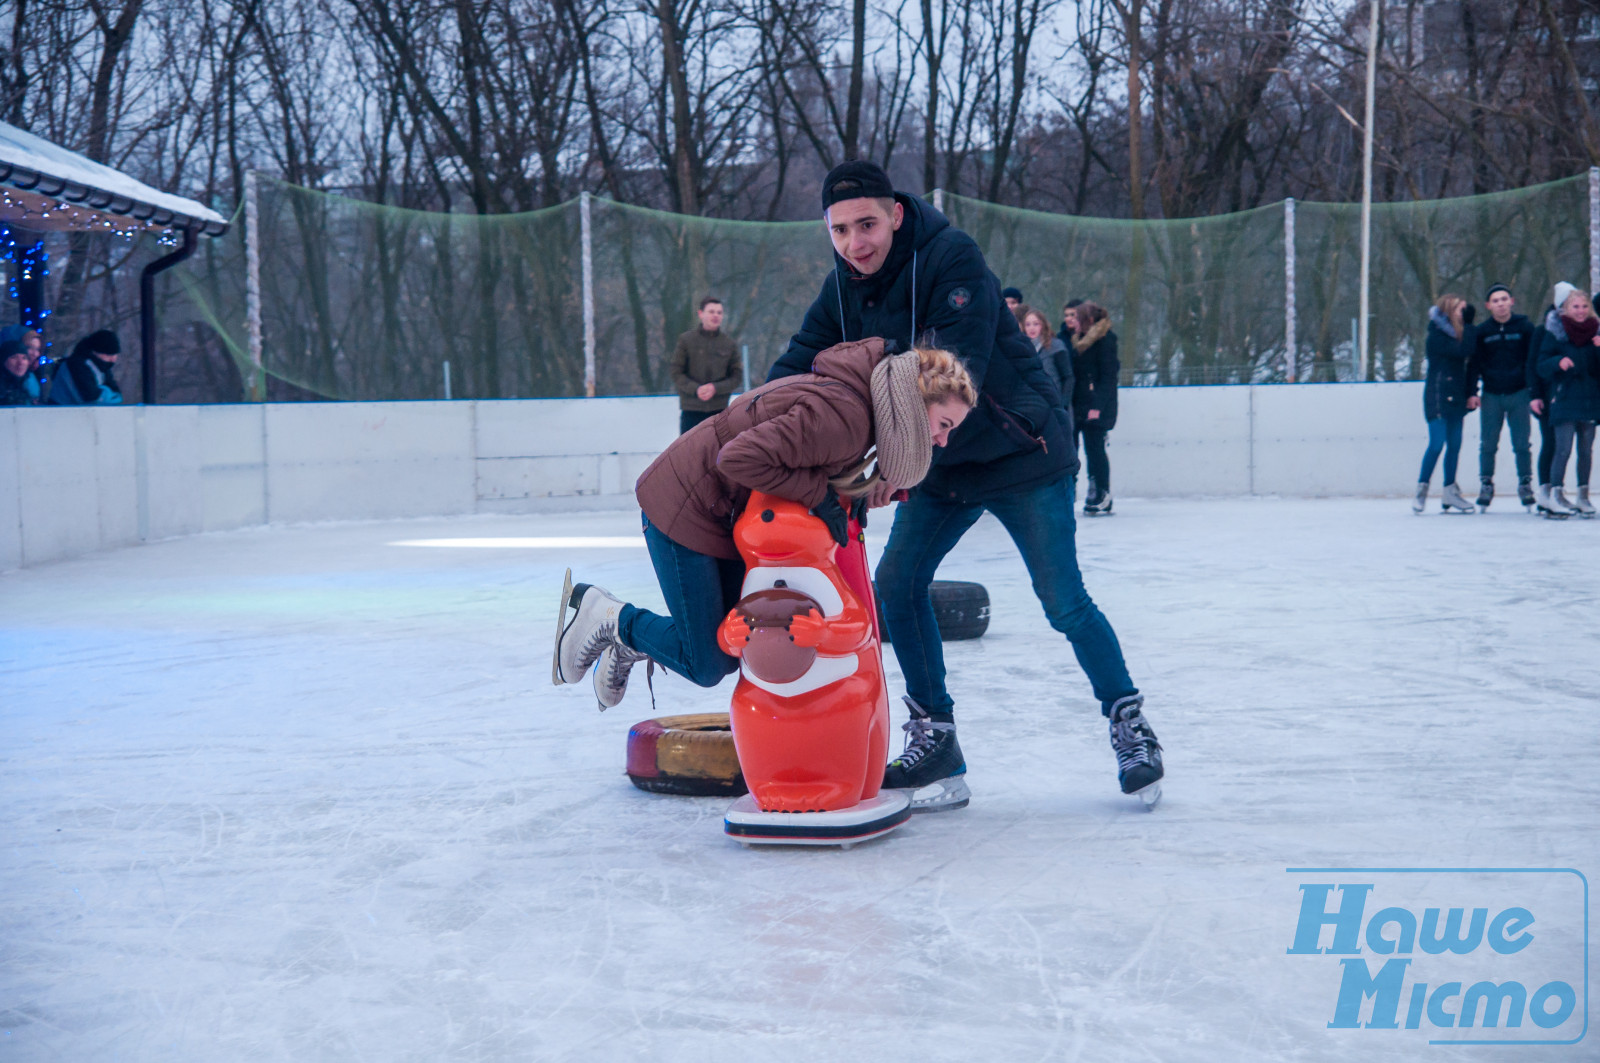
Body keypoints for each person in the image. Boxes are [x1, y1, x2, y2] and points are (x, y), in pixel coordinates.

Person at [768, 159, 1163, 812]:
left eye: (866, 224)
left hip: (1021, 451)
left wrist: (884, 465)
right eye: (839, 231)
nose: (854, 243)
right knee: (898, 584)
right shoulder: (843, 287)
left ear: (895, 213)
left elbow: (956, 376)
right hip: (943, 468)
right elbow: (799, 360)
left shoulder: (951, 257)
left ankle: (1128, 721)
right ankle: (938, 738)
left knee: (1062, 599)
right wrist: (746, 421)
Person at [553, 339, 976, 709]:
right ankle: (611, 618)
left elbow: (807, 461)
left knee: (740, 641)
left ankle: (631, 639)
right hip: (683, 507)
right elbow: (738, 459)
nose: (942, 441)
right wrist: (819, 495)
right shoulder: (845, 418)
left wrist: (857, 492)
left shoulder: (859, 411)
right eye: (943, 425)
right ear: (913, 404)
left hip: (720, 513)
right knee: (706, 662)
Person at [1467, 284, 1537, 509]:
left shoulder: (1525, 327)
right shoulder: (1482, 332)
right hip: (1492, 394)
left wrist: (1534, 391)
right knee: (1488, 443)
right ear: (1489, 306)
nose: (1501, 304)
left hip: (1519, 393)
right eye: (1495, 301)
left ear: (1511, 301)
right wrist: (1472, 392)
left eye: (1504, 299)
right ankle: (1486, 484)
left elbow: (1533, 360)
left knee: (1521, 443)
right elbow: (1474, 364)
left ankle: (1525, 484)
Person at [1534, 282, 1600, 516]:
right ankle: (1556, 493)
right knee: (1562, 448)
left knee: (1586, 449)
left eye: (1584, 306)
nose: (1580, 311)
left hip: (1590, 400)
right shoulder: (1556, 333)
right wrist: (1557, 363)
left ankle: (1583, 495)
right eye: (1575, 306)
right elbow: (1540, 364)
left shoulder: (1596, 332)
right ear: (1565, 309)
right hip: (1564, 397)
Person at [1414, 295, 1476, 514]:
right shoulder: (1437, 336)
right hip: (1438, 394)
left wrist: (1471, 393)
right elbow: (1463, 351)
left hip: (1456, 395)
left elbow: (1471, 360)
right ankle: (1422, 488)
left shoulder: (1462, 333)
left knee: (1455, 445)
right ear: (1449, 311)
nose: (1463, 313)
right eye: (1460, 310)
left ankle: (1450, 490)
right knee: (1437, 443)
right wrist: (1469, 325)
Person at [1066, 300, 1121, 516]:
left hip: (1097, 405)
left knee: (1095, 449)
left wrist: (1097, 406)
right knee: (1076, 449)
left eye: (1075, 318)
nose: (1071, 321)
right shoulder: (1077, 340)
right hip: (1079, 403)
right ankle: (1091, 490)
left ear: (1087, 321)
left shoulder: (1105, 340)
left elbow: (1108, 377)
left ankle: (1102, 492)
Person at [667, 297, 741, 434]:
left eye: (719, 312)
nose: (715, 315)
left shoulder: (729, 344)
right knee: (689, 453)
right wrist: (696, 389)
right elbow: (676, 372)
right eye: (711, 311)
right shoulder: (686, 341)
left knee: (720, 453)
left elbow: (737, 376)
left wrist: (715, 388)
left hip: (719, 411)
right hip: (691, 410)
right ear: (701, 314)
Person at [48, 328, 123, 406]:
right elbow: (91, 398)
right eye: (108, 355)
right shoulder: (77, 365)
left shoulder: (101, 368)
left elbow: (117, 395)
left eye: (115, 355)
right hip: (61, 413)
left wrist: (104, 392)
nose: (113, 360)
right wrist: (106, 391)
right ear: (96, 351)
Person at [1020, 305, 1072, 405]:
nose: (1032, 328)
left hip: (1054, 402)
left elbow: (1068, 377)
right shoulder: (1022, 348)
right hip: (1031, 403)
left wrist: (1063, 402)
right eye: (1028, 324)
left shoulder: (1056, 346)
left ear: (1042, 325)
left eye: (1036, 324)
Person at [0, 339, 34, 406]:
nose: (21, 363)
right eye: (14, 357)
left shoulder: (30, 382)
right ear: (3, 361)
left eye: (24, 358)